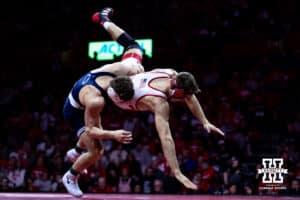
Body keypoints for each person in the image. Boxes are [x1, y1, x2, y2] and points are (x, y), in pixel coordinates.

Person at [61, 7, 145, 197]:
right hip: (74, 112)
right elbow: (92, 129)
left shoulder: (124, 67)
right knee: (97, 150)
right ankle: (70, 176)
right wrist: (114, 134)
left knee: (134, 47)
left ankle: (102, 19)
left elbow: (131, 48)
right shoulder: (96, 101)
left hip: (91, 86)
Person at [107, 69, 225, 190]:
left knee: (134, 64)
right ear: (178, 91)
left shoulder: (170, 73)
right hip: (118, 96)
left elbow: (190, 96)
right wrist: (177, 172)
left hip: (121, 82)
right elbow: (165, 137)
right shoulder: (159, 103)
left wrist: (204, 121)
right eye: (186, 95)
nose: (189, 98)